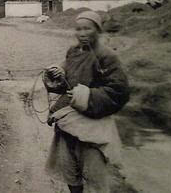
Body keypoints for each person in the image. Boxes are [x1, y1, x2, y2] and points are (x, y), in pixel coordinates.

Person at [43, 11, 130, 193]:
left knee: (94, 176)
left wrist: (86, 96)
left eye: (87, 29)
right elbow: (65, 84)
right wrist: (56, 76)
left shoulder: (107, 57)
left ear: (97, 30)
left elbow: (119, 92)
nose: (82, 33)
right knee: (70, 171)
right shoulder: (73, 53)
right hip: (68, 124)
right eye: (79, 29)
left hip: (93, 125)